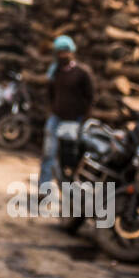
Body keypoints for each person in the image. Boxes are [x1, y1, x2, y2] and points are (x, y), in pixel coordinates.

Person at [39, 35, 95, 191]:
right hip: (56, 118)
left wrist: (83, 119)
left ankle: (69, 190)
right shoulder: (55, 72)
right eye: (60, 52)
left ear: (72, 52)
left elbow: (90, 97)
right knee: (48, 153)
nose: (63, 55)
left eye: (65, 52)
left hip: (73, 121)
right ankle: (44, 189)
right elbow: (50, 93)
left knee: (69, 158)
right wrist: (51, 109)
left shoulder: (82, 73)